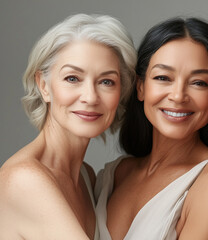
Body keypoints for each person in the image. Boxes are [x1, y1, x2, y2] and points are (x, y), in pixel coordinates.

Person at [95, 17, 208, 240]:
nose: (178, 96)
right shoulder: (116, 173)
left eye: (198, 82)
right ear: (140, 87)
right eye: (163, 77)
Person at [0, 13, 136, 240]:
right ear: (43, 85)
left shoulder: (86, 177)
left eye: (106, 81)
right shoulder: (24, 180)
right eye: (72, 78)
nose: (90, 97)